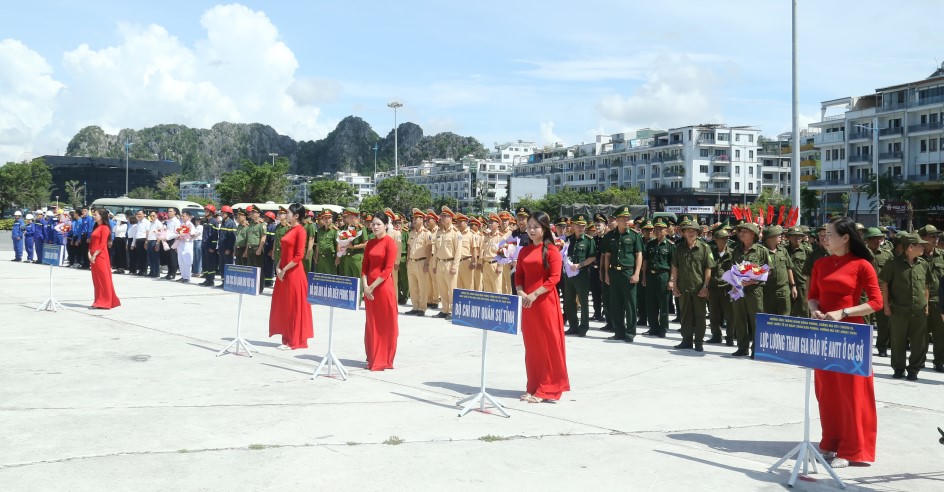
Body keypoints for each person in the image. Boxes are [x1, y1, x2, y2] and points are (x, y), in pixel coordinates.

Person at [808, 216, 882, 468]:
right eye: (824, 233)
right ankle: (830, 442)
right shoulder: (821, 264)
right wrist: (815, 309)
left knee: (853, 393)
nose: (825, 237)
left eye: (829, 233)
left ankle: (853, 449)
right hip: (824, 334)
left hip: (851, 335)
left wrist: (845, 312)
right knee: (826, 392)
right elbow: (812, 297)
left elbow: (876, 302)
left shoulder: (862, 265)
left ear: (845, 237)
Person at [515, 211, 570, 403]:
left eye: (535, 227)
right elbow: (518, 276)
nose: (531, 230)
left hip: (545, 302)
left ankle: (547, 388)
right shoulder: (524, 250)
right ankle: (533, 385)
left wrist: (534, 294)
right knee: (532, 347)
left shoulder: (552, 250)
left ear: (544, 229)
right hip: (528, 305)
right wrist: (521, 293)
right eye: (529, 226)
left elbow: (554, 278)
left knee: (548, 345)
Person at [879, 233, 932, 380]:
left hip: (919, 310)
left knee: (919, 343)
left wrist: (926, 305)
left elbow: (926, 286)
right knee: (898, 341)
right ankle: (898, 368)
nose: (923, 247)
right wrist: (886, 306)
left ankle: (914, 369)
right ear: (909, 247)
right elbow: (884, 284)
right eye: (919, 245)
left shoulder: (923, 264)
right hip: (899, 310)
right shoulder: (893, 264)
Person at [268, 203, 314, 350]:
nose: (285, 215)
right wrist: (278, 266)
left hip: (294, 272)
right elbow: (284, 251)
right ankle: (286, 337)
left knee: (294, 305)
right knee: (285, 305)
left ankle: (294, 339)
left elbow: (299, 255)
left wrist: (284, 270)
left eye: (288, 213)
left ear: (296, 216)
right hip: (284, 271)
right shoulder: (290, 229)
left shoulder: (301, 231)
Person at [362, 213, 399, 371]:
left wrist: (372, 286)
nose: (375, 227)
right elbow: (364, 267)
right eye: (373, 224)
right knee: (372, 324)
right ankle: (372, 355)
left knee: (385, 324)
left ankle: (384, 357)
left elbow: (387, 270)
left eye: (378, 224)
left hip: (383, 288)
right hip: (369, 289)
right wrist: (365, 286)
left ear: (385, 225)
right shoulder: (370, 243)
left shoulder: (390, 243)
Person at [670, 219, 715, 351]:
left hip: (699, 288)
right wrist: (674, 284)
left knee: (700, 316)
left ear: (698, 233)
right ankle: (686, 340)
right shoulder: (679, 248)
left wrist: (706, 286)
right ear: (683, 233)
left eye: (693, 231)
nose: (690, 233)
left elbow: (708, 268)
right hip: (683, 287)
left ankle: (699, 342)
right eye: (688, 231)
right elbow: (675, 267)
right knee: (685, 315)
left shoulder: (705, 248)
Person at [602, 206, 643, 342]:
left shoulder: (634, 235)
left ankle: (630, 333)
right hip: (614, 273)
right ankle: (619, 332)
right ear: (617, 220)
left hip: (628, 272)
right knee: (616, 304)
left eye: (627, 218)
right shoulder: (610, 236)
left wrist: (637, 273)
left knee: (630, 304)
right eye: (623, 218)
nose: (626, 221)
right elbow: (607, 256)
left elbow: (639, 255)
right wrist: (607, 274)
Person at [730, 222, 770, 357]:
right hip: (738, 290)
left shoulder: (761, 250)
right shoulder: (736, 250)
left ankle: (756, 349)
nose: (741, 234)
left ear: (752, 234)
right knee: (739, 319)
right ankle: (742, 347)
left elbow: (768, 270)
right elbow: (732, 269)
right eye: (740, 231)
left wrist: (754, 280)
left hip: (754, 291)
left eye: (744, 231)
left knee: (756, 321)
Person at [563, 214, 596, 337]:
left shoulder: (589, 240)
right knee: (569, 301)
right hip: (568, 274)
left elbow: (592, 257)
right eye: (578, 225)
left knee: (583, 301)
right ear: (573, 226)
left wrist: (580, 265)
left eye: (583, 225)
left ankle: (583, 327)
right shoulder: (568, 239)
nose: (581, 227)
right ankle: (573, 326)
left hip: (581, 274)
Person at [917, 225, 944, 372]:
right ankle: (919, 360)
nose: (936, 239)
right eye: (932, 236)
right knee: (921, 334)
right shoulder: (915, 256)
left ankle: (939, 361)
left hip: (939, 302)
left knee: (941, 334)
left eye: (937, 236)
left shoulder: (942, 256)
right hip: (920, 302)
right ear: (923, 238)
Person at [864, 227, 893, 357]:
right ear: (868, 240)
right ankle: (864, 346)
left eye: (879, 239)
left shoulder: (887, 254)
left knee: (884, 322)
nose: (878, 241)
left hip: (881, 292)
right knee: (865, 321)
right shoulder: (861, 253)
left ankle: (882, 347)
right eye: (874, 239)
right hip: (864, 292)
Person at [643, 220, 674, 337]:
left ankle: (663, 328)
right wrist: (644, 277)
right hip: (650, 276)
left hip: (663, 276)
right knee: (651, 303)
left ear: (666, 230)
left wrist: (671, 280)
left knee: (663, 304)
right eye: (656, 229)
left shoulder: (670, 245)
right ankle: (653, 327)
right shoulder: (650, 244)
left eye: (661, 229)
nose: (658, 231)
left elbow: (673, 265)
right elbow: (645, 261)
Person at [431, 206, 461, 319]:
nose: (442, 218)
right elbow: (436, 250)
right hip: (440, 263)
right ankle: (444, 310)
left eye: (445, 216)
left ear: (450, 218)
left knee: (452, 289)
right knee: (442, 288)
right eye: (442, 216)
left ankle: (453, 312)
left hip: (450, 263)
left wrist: (455, 266)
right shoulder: (439, 232)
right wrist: (434, 264)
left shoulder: (455, 233)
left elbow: (458, 251)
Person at [88, 209, 121, 309]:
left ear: (102, 216)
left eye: (96, 215)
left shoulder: (105, 228)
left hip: (101, 256)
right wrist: (89, 253)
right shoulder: (96, 227)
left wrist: (95, 255)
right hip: (93, 256)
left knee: (104, 278)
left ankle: (106, 301)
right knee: (96, 279)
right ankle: (98, 300)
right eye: (93, 215)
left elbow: (103, 244)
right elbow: (91, 242)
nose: (94, 216)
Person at [762, 225, 797, 316]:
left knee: (785, 318)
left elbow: (789, 268)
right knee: (769, 318)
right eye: (778, 235)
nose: (781, 237)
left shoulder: (783, 250)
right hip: (767, 291)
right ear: (770, 237)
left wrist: (793, 286)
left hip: (783, 290)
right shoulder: (761, 251)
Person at [708, 227, 734, 345]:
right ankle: (716, 335)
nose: (723, 241)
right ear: (716, 240)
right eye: (721, 239)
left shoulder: (732, 253)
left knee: (730, 315)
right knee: (714, 314)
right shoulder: (710, 253)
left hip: (727, 288)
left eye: (726, 239)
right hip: (713, 287)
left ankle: (729, 337)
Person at [405, 208, 432, 315]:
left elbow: (429, 249)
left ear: (422, 220)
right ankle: (415, 307)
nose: (414, 220)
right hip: (411, 262)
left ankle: (422, 308)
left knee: (422, 286)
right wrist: (407, 261)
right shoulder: (411, 233)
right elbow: (409, 248)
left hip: (422, 262)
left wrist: (427, 263)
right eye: (413, 218)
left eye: (417, 218)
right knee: (412, 286)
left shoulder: (427, 233)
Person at [786, 227, 810, 318]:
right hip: (787, 285)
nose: (797, 238)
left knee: (804, 311)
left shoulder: (807, 250)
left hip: (802, 285)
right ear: (789, 237)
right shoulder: (784, 250)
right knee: (790, 312)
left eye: (799, 236)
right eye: (794, 236)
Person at [174, 211, 196, 283]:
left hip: (187, 244)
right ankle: (183, 276)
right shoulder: (181, 224)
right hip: (180, 244)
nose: (182, 217)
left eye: (183, 216)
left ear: (188, 217)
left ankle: (187, 277)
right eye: (182, 216)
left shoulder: (191, 225)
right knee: (181, 261)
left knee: (187, 261)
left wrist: (187, 235)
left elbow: (193, 235)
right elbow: (177, 233)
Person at [163, 208, 181, 280]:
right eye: (168, 211)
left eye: (170, 211)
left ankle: (173, 273)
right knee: (168, 257)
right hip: (167, 240)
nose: (169, 213)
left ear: (174, 213)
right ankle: (169, 272)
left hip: (173, 240)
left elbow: (177, 233)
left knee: (172, 257)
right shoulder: (168, 221)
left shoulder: (176, 221)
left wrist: (168, 237)